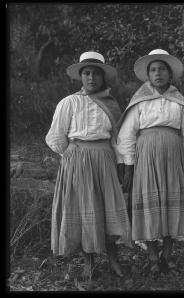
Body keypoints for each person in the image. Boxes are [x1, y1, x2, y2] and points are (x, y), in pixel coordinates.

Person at [45, 51, 132, 278]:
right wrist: (70, 153)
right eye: (86, 73)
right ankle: (89, 262)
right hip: (78, 159)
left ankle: (113, 259)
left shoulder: (111, 105)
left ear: (103, 78)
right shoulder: (70, 102)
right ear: (80, 77)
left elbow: (118, 139)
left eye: (96, 74)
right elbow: (55, 136)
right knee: (85, 209)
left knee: (108, 208)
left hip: (104, 158)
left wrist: (122, 163)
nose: (91, 78)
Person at [117, 49, 184, 275]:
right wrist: (129, 166)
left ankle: (168, 254)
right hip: (146, 156)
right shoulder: (139, 101)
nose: (158, 73)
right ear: (148, 75)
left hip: (173, 156)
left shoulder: (179, 101)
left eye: (162, 69)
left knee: (171, 201)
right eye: (153, 70)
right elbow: (127, 135)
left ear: (170, 74)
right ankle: (153, 256)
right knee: (149, 203)